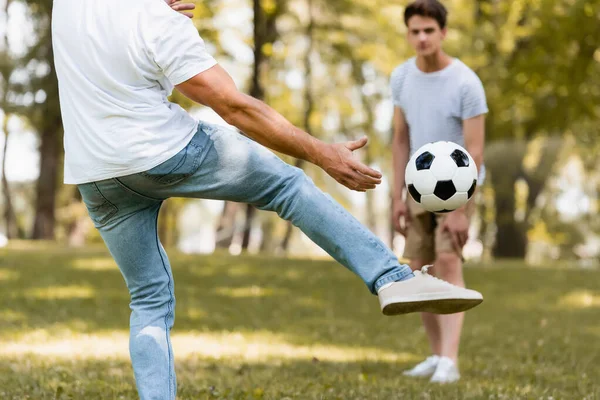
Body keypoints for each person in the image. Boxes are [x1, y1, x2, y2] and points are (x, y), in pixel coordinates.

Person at [51, 0, 483, 398]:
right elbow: (234, 107)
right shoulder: (159, 22)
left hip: (96, 174)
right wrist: (321, 152)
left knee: (148, 298)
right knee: (286, 186)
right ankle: (391, 277)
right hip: (164, 151)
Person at [390, 0, 488, 384]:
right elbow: (400, 139)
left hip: (458, 190)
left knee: (448, 265)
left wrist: (461, 208)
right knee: (418, 272)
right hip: (417, 189)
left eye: (429, 30)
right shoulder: (401, 78)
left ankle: (450, 360)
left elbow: (476, 150)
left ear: (443, 33)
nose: (422, 38)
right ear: (408, 33)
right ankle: (434, 355)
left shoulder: (466, 82)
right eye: (415, 31)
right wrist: (396, 197)